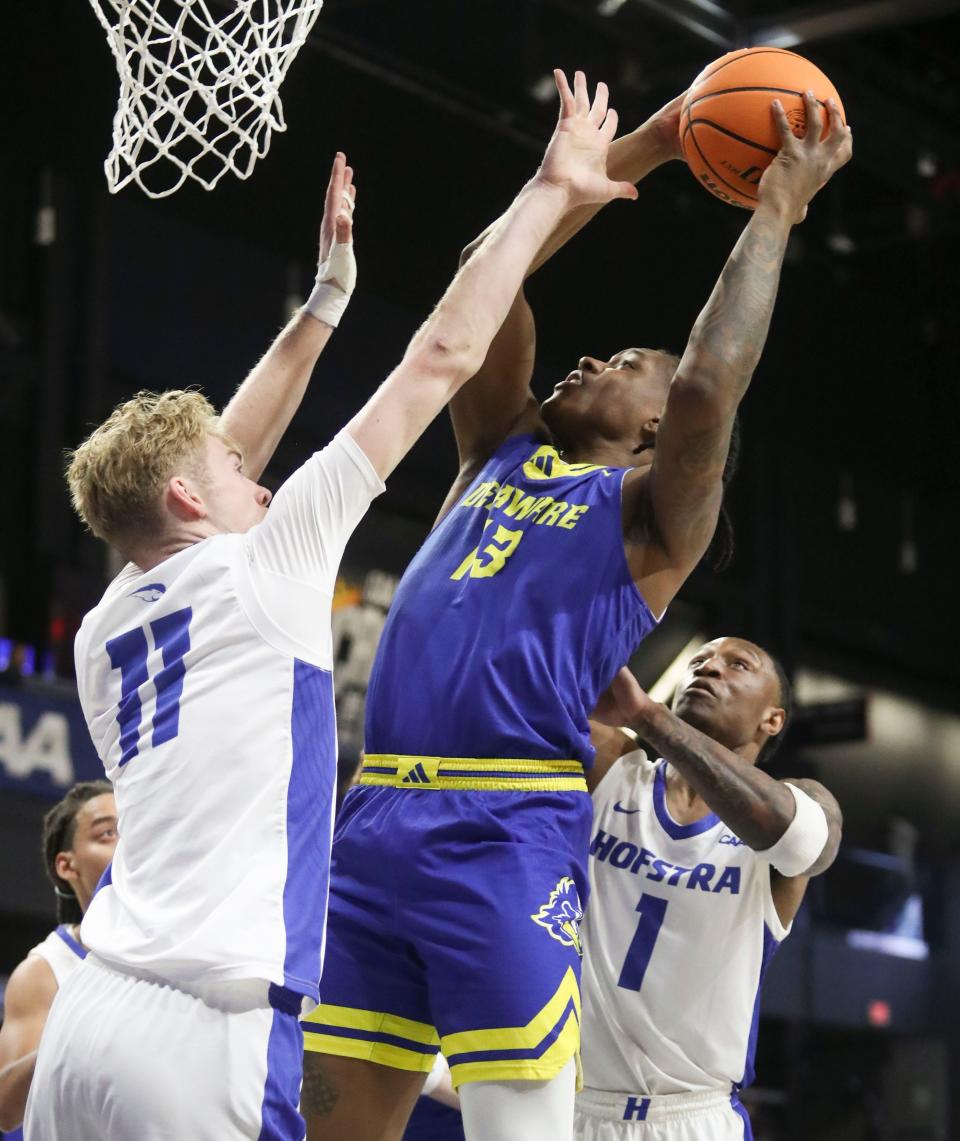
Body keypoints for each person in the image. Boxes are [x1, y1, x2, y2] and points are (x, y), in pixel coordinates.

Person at [25, 71, 639, 1141]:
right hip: (207, 1030)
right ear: (186, 498)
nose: (256, 473)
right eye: (230, 471)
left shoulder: (108, 625)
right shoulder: (272, 566)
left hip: (90, 1025)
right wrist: (550, 188)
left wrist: (324, 301)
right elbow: (441, 356)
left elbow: (214, 461)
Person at [302, 93, 853, 1140]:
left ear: (652, 427)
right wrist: (635, 151)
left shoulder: (649, 521)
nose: (591, 359)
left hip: (501, 826)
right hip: (373, 819)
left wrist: (774, 207)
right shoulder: (492, 449)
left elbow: (706, 387)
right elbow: (488, 268)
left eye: (622, 363)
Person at [575, 638, 842, 1140]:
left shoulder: (801, 803)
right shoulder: (617, 766)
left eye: (737, 664)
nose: (709, 668)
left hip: (692, 1120)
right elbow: (507, 695)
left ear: (773, 719)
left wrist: (646, 715)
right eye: (699, 661)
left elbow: (804, 844)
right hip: (575, 1107)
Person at [0, 781, 118, 1136]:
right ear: (67, 866)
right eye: (109, 832)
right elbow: (6, 1108)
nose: (128, 843)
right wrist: (73, 1034)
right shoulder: (45, 969)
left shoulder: (180, 947)